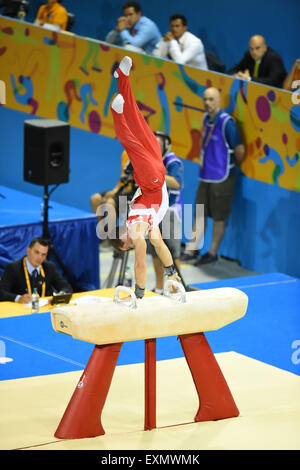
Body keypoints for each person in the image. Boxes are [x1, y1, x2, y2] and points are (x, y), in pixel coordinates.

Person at [109, 56, 181, 299]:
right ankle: (119, 96)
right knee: (134, 136)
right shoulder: (140, 234)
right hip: (154, 182)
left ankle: (121, 86)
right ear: (127, 244)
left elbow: (158, 249)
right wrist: (141, 292)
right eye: (123, 241)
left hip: (148, 179)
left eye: (120, 237)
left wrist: (170, 271)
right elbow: (149, 256)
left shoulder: (132, 222)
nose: (122, 236)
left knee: (135, 131)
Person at [181, 87, 245, 266]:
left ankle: (212, 252)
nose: (207, 103)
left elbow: (240, 150)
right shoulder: (205, 119)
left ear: (218, 101)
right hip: (206, 175)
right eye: (205, 99)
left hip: (223, 177)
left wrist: (229, 166)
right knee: (199, 212)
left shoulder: (227, 123)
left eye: (211, 99)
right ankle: (191, 249)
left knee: (218, 216)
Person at [147, 131, 184, 294]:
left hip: (170, 212)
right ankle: (159, 287)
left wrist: (156, 173)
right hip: (154, 211)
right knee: (155, 252)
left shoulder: (173, 162)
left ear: (166, 146)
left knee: (173, 254)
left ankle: (175, 288)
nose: (155, 147)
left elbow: (176, 183)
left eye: (158, 144)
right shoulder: (149, 159)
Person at [0, 237, 72, 303]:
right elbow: (2, 292)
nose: (39, 257)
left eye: (43, 254)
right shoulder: (13, 268)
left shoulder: (49, 267)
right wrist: (18, 298)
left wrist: (59, 295)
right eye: (37, 252)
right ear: (28, 251)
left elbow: (66, 287)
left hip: (45, 309)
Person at [90, 150, 138, 239]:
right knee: (95, 199)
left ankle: (111, 237)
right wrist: (114, 190)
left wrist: (115, 193)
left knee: (109, 204)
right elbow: (123, 177)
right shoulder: (125, 153)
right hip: (121, 189)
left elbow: (132, 184)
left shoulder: (141, 154)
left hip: (133, 192)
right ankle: (102, 234)